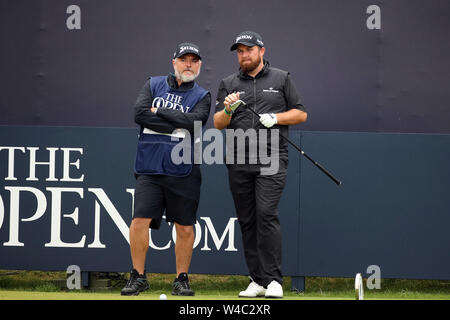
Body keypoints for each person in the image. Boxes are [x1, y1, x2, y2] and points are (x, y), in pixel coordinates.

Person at [214, 31, 307, 298]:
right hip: (238, 160)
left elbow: (300, 113)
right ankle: (257, 280)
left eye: (249, 50)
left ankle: (274, 280)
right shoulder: (228, 82)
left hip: (271, 158)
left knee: (266, 214)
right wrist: (229, 109)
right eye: (240, 51)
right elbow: (218, 123)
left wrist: (276, 119)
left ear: (261, 51)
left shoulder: (281, 78)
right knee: (247, 221)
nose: (244, 55)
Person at [121, 42, 210, 296]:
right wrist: (177, 124)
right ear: (174, 63)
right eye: (184, 60)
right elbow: (139, 114)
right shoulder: (153, 84)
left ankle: (181, 279)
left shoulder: (202, 96)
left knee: (184, 227)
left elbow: (195, 123)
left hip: (184, 169)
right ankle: (138, 276)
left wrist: (159, 110)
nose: (189, 64)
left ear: (200, 65)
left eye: (194, 60)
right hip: (149, 167)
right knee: (139, 221)